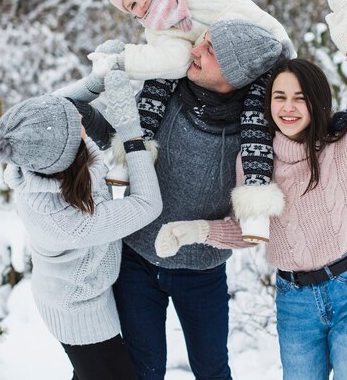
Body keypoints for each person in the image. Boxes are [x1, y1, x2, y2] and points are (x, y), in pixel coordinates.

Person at [159, 0, 347, 380]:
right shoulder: (254, 160)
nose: (288, 107)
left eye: (299, 98)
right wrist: (197, 231)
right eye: (279, 97)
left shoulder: (346, 149)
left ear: (317, 103)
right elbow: (251, 232)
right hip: (294, 300)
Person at [85, 0, 295, 240]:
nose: (143, 2)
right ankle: (130, 157)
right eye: (133, 5)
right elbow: (171, 58)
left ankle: (256, 205)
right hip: (207, 64)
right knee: (157, 84)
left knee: (254, 121)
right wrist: (121, 59)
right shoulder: (158, 29)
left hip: (262, 54)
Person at [110, 19, 289, 380]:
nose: (194, 50)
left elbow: (253, 221)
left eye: (209, 51)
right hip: (136, 261)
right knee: (143, 370)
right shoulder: (163, 94)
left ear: (236, 74)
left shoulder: (257, 130)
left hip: (203, 271)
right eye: (201, 42)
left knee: (212, 370)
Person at [0, 68, 162, 380]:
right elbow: (147, 205)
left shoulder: (39, 153)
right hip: (80, 312)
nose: (82, 121)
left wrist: (96, 79)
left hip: (84, 288)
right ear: (68, 154)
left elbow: (58, 105)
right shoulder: (66, 221)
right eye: (77, 126)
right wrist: (131, 132)